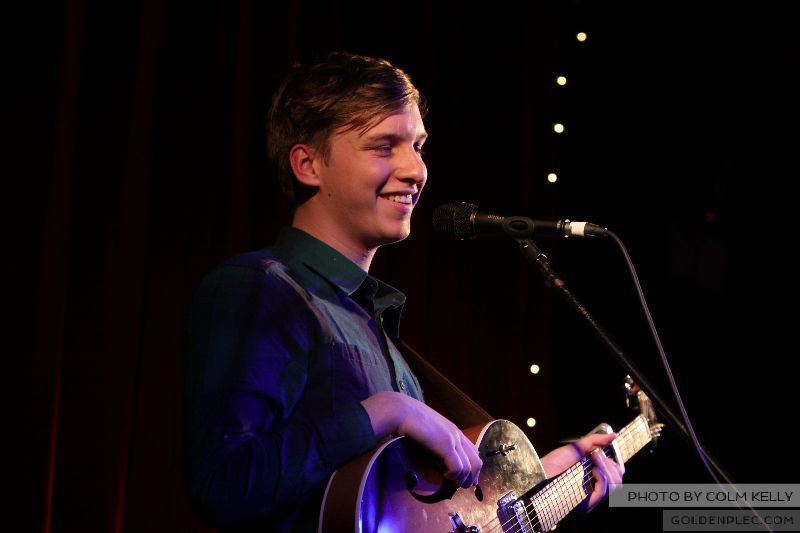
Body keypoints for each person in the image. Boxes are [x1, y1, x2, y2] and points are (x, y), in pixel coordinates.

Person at [181, 51, 623, 532]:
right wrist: (384, 412)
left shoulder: (371, 323)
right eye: (384, 146)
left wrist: (545, 481)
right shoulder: (261, 288)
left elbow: (426, 518)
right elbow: (222, 483)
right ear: (308, 164)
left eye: (418, 145)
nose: (416, 170)